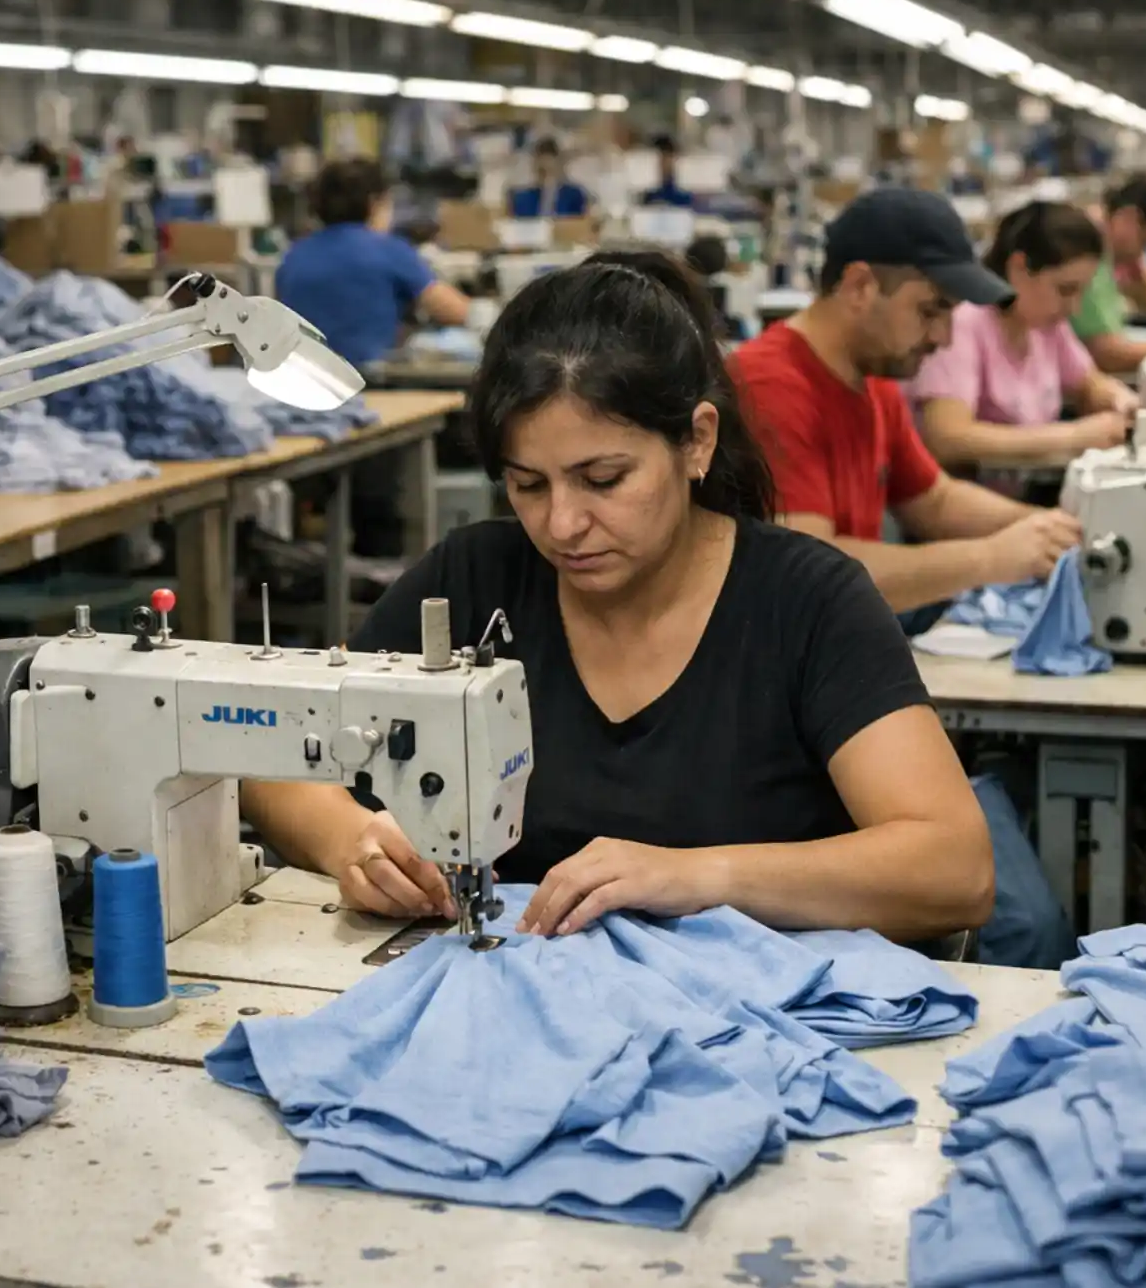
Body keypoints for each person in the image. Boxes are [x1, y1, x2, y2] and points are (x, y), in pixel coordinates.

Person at [239, 251, 995, 945]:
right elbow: (267, 755)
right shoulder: (475, 579)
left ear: (697, 441)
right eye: (527, 484)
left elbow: (953, 867)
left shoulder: (807, 603)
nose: (562, 525)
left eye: (604, 480)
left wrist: (696, 876)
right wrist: (351, 840)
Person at [731, 188, 1083, 615]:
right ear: (860, 287)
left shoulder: (874, 379)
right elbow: (806, 573)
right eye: (930, 311)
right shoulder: (770, 386)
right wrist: (991, 559)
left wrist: (1047, 530)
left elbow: (934, 501)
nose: (943, 337)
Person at [909, 201, 1141, 479]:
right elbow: (947, 437)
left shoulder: (1045, 325)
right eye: (1065, 290)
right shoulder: (963, 324)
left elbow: (1088, 383)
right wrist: (1074, 436)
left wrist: (1119, 400)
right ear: (1019, 268)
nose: (1074, 307)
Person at [276, 158, 471, 370]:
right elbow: (457, 312)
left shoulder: (294, 256)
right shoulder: (388, 250)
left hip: (306, 380)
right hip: (367, 381)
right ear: (374, 203)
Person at [1069, 175, 1146, 374]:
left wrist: (1138, 265)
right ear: (1128, 218)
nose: (1144, 252)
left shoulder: (1107, 259)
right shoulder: (1084, 259)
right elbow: (1106, 354)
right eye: (1145, 242)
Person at [508, 137, 589, 219]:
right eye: (542, 171)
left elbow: (578, 224)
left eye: (549, 170)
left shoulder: (574, 195)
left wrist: (550, 192)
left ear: (559, 166)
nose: (547, 177)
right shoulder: (522, 199)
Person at [641, 134, 696, 208]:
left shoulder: (685, 197)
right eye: (660, 158)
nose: (662, 163)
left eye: (665, 158)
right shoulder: (650, 197)